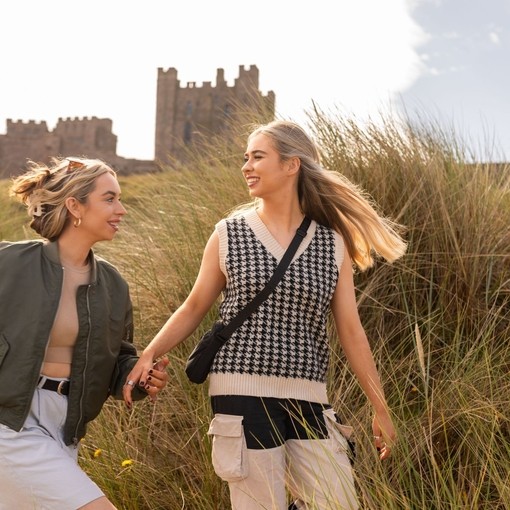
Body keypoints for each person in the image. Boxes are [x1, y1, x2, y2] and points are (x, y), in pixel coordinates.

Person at [124, 120, 407, 509]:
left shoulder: (330, 242)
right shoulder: (229, 233)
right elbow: (193, 307)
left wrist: (381, 407)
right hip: (240, 392)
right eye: (246, 158)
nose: (246, 166)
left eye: (258, 157)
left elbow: (352, 331)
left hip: (309, 396)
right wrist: (148, 353)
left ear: (292, 164)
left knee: (337, 501)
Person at [0, 156, 169, 510]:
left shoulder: (113, 285)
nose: (121, 209)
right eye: (109, 198)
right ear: (74, 206)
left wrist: (139, 376)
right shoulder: (10, 263)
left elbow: (117, 359)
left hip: (66, 428)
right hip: (10, 422)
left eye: (120, 198)